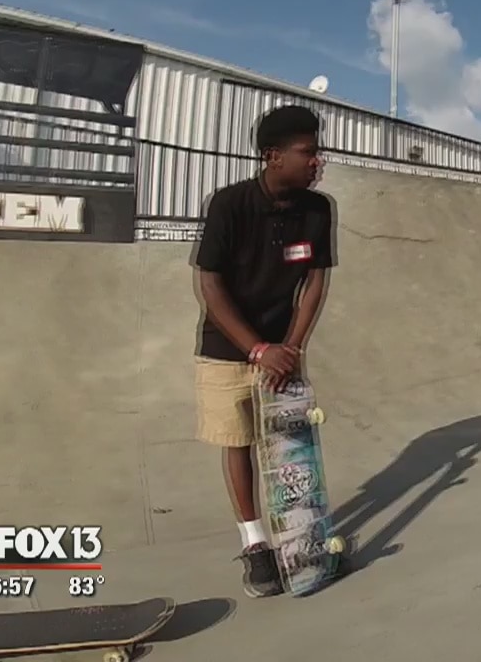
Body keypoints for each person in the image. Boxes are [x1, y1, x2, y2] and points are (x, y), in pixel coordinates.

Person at [192, 105, 335, 598]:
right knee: (239, 442)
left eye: (318, 152)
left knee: (288, 444)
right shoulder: (229, 204)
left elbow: (315, 283)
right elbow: (209, 285)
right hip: (227, 346)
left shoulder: (318, 210)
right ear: (273, 156)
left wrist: (290, 347)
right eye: (308, 152)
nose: (317, 161)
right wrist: (256, 349)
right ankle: (255, 545)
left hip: (284, 349)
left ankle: (301, 537)